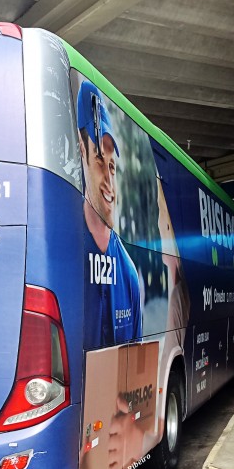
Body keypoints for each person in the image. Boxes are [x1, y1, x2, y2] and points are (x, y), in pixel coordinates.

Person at [77, 80, 142, 350]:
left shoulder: (128, 275)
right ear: (82, 153)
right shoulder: (67, 257)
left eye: (112, 166)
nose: (109, 184)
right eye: (100, 160)